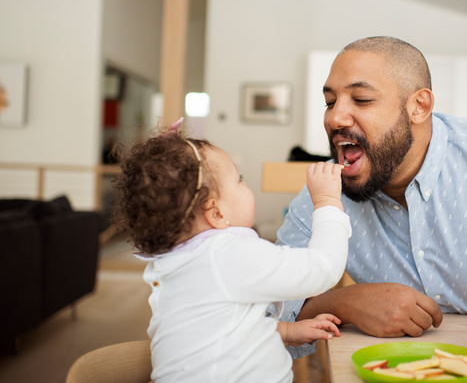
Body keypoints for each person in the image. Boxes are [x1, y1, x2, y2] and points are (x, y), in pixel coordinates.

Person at [275, 36, 467, 358]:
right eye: (330, 102)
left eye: (361, 99)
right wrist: (343, 301)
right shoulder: (324, 195)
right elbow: (265, 309)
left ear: (419, 106)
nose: (334, 118)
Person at [112, 126, 351, 382]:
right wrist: (327, 201)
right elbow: (322, 269)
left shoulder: (174, 263)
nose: (245, 185)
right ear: (216, 213)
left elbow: (220, 328)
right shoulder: (227, 255)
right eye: (239, 179)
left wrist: (286, 332)